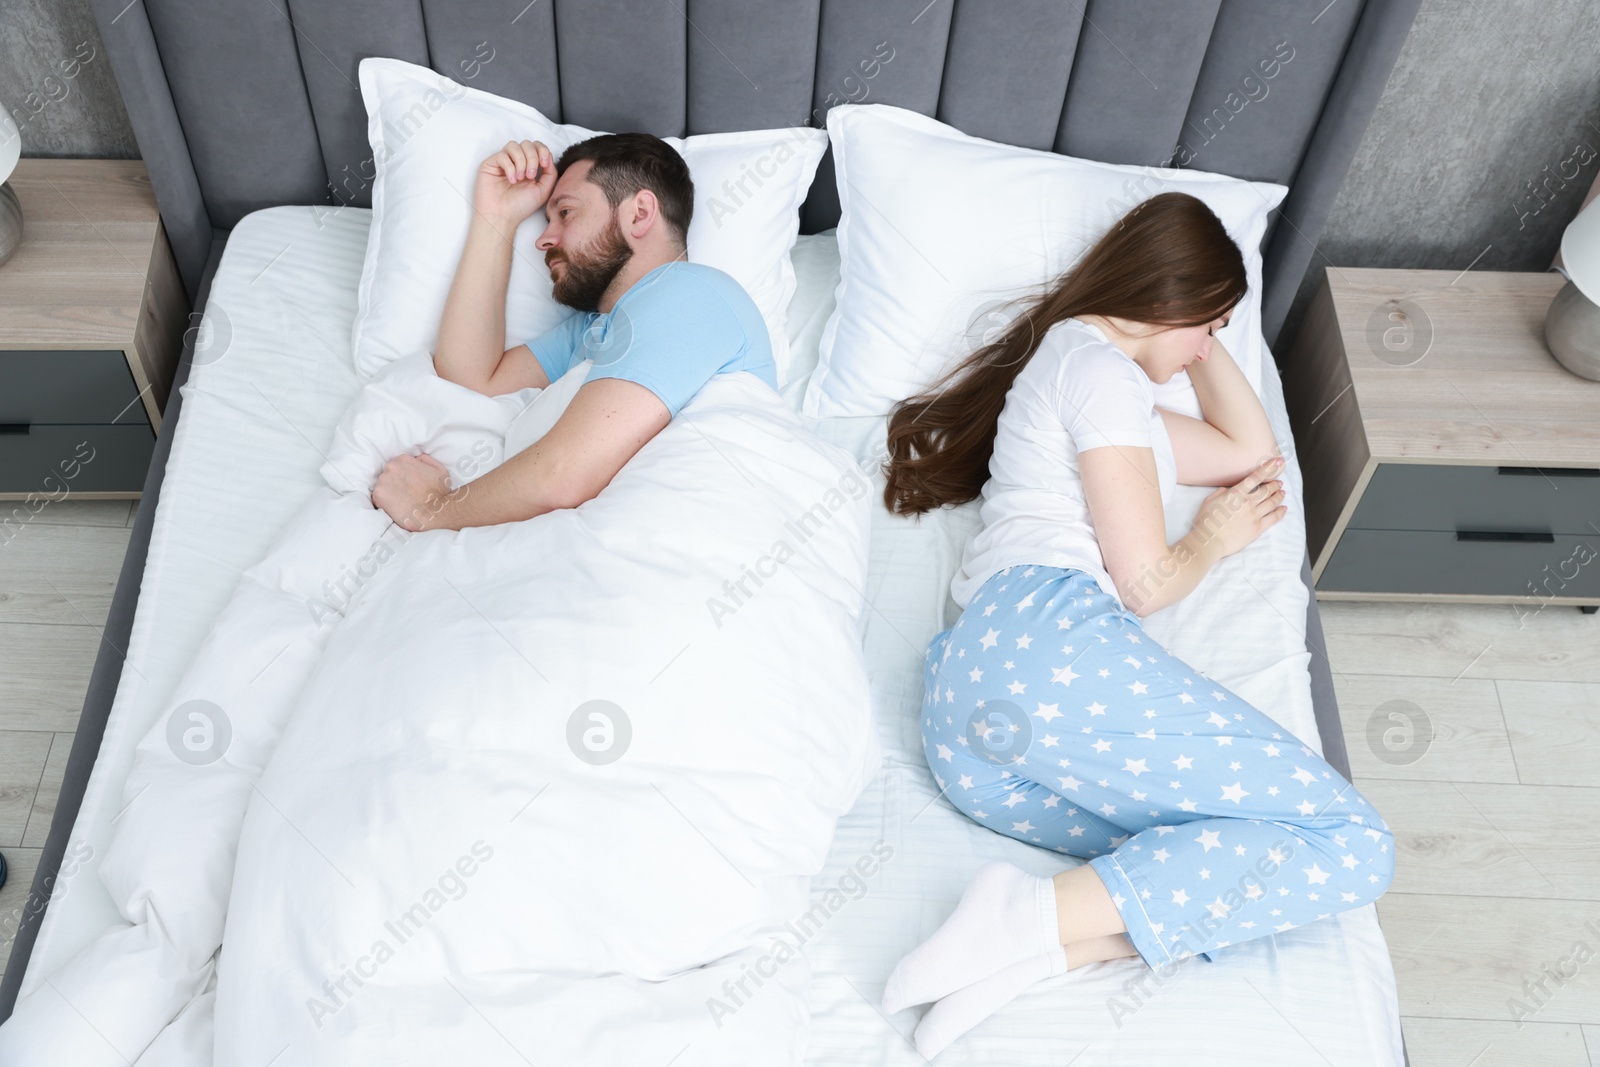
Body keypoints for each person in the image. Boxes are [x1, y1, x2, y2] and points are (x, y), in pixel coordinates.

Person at [876, 192, 1395, 1057]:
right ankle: (1026, 914)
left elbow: (1248, 451)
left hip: (981, 727)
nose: (1211, 347)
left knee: (1239, 850)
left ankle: (1045, 951)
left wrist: (1204, 330)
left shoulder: (1105, 395)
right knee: (1350, 839)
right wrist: (1211, 538)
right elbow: (1147, 582)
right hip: (1044, 650)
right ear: (1168, 298)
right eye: (1209, 325)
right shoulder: (1097, 369)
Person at [372, 133, 777, 531]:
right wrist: (496, 217)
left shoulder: (691, 292)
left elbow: (563, 475)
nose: (544, 239)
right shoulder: (593, 331)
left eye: (565, 213)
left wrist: (432, 510)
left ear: (638, 214)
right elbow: (469, 378)